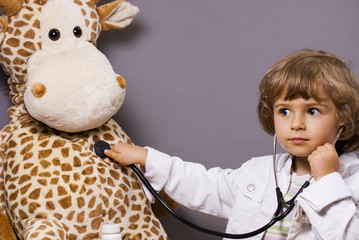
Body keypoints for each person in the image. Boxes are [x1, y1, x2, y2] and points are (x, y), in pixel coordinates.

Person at [104, 49, 359, 239]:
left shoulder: (352, 182)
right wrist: (146, 158)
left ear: (343, 117)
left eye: (312, 111)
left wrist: (327, 181)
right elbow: (204, 185)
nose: (296, 123)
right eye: (284, 111)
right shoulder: (258, 173)